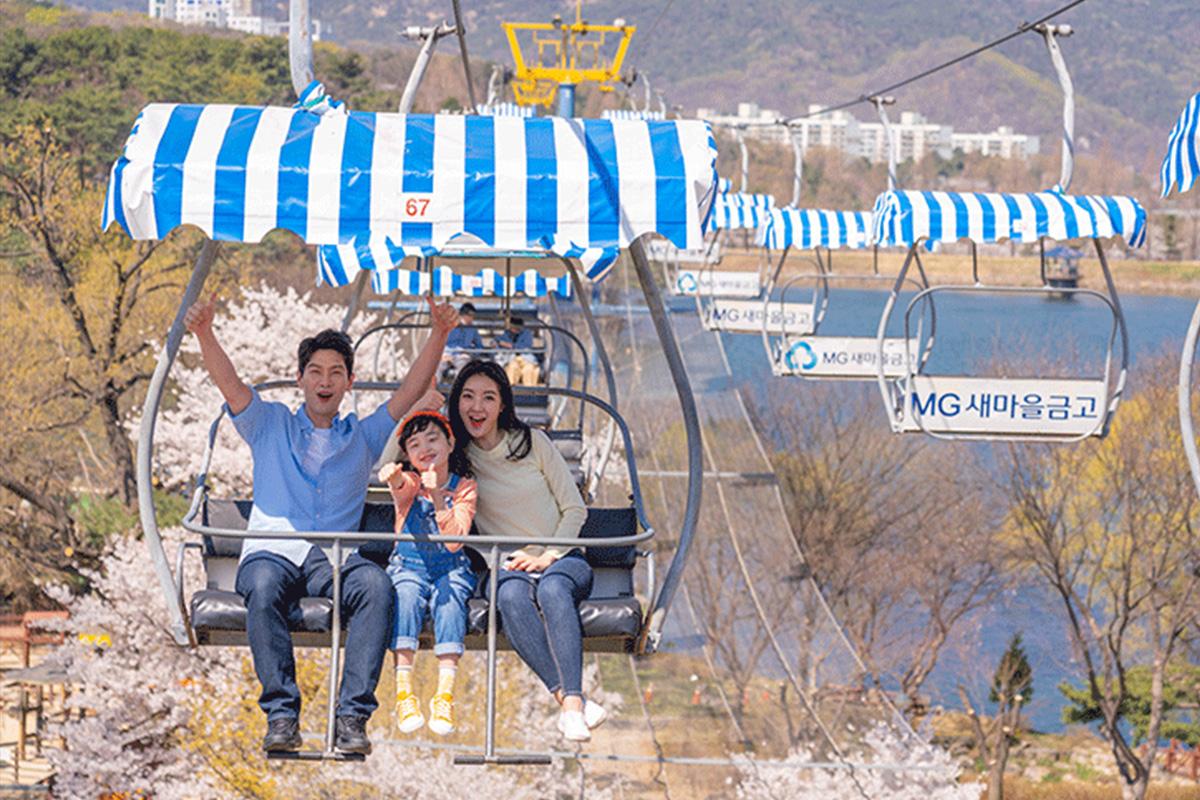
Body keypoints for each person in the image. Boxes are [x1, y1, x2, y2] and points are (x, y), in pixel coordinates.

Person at [183, 294, 459, 756]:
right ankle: (282, 714)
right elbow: (231, 386)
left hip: (331, 557)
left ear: (349, 382)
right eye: (316, 371)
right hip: (272, 548)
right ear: (300, 379)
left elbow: (409, 392)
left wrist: (440, 333)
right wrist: (205, 332)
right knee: (264, 585)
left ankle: (352, 715)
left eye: (335, 373)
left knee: (375, 587)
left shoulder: (364, 437)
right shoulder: (269, 425)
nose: (325, 381)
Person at [446, 360, 606, 741]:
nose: (477, 407)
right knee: (511, 597)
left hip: (562, 557)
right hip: (509, 565)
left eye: (488, 397)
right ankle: (570, 701)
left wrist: (547, 555)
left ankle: (571, 703)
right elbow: (392, 461)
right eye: (467, 397)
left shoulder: (533, 443)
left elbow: (574, 509)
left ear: (503, 404)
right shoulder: (458, 459)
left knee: (552, 590)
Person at [378, 410, 477, 736]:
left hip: (450, 568)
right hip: (409, 566)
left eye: (432, 439)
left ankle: (444, 694)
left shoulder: (464, 489)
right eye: (415, 444)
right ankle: (403, 691)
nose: (425, 448)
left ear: (450, 442)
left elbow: (454, 540)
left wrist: (438, 498)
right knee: (405, 596)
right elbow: (401, 487)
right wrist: (393, 477)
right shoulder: (412, 484)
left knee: (450, 602)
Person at [441, 302, 484, 383]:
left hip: (462, 355)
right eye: (470, 316)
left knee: (462, 369)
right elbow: (441, 342)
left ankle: (457, 391)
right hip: (448, 354)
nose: (471, 319)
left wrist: (471, 353)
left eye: (472, 316)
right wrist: (443, 354)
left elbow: (479, 346)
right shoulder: (450, 326)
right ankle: (433, 391)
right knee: (437, 367)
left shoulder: (472, 329)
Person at [495, 316, 540, 386]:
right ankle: (511, 389)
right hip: (511, 358)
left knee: (529, 369)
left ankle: (529, 391)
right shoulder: (506, 335)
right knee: (512, 368)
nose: (516, 330)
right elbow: (497, 342)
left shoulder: (527, 334)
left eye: (518, 328)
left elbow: (526, 346)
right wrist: (496, 343)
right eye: (514, 328)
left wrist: (510, 346)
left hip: (526, 358)